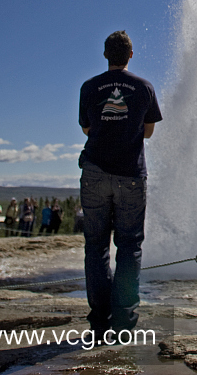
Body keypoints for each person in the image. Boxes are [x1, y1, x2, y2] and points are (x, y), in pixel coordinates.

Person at [79, 30, 163, 334]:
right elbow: (149, 131)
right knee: (129, 246)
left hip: (95, 174)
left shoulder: (90, 87)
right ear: (130, 55)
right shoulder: (144, 87)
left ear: (105, 55)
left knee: (96, 246)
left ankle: (99, 323)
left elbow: (87, 129)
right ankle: (125, 322)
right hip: (130, 175)